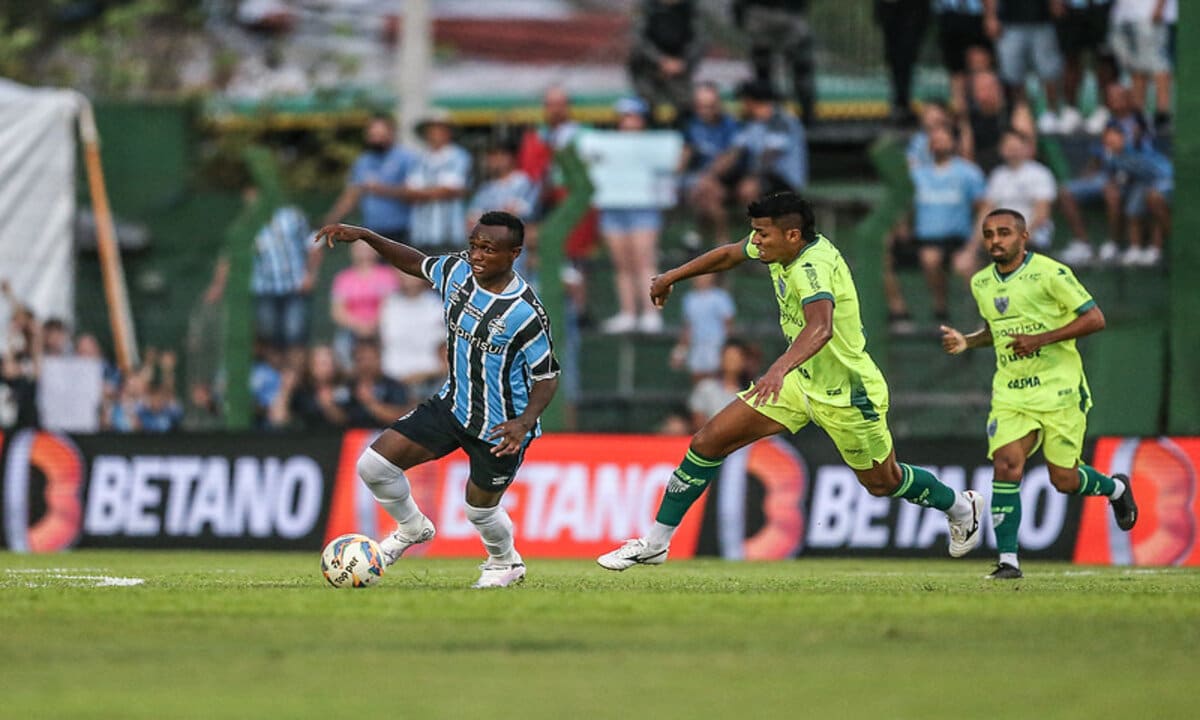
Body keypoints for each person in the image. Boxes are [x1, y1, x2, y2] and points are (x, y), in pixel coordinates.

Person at [597, 192, 985, 570]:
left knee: (883, 482)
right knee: (707, 441)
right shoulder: (781, 246)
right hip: (800, 381)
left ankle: (959, 506)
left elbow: (822, 328)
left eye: (763, 234)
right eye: (756, 232)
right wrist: (672, 276)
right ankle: (655, 543)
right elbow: (731, 253)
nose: (757, 241)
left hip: (847, 392)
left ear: (793, 236)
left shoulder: (811, 267)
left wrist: (777, 369)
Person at [315, 211, 559, 589]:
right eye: (474, 246)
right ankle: (413, 527)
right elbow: (414, 261)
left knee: (479, 511)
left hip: (500, 426)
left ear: (514, 254)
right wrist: (366, 234)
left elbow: (547, 376)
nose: (477, 255)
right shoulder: (458, 272)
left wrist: (524, 422)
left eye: (489, 250)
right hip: (452, 405)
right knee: (374, 467)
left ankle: (505, 561)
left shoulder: (525, 312)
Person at [940, 208, 1137, 578]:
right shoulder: (981, 282)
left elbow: (1095, 319)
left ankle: (1114, 488)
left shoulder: (1051, 273)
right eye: (989, 234)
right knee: (1006, 464)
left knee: (1063, 479)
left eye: (1004, 233)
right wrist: (966, 342)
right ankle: (1008, 561)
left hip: (1059, 388)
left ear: (1023, 236)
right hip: (1011, 392)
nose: (995, 240)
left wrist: (1041, 339)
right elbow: (997, 332)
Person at [909, 124, 986, 322]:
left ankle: (980, 318)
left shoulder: (968, 173)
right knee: (930, 259)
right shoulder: (918, 175)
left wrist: (972, 247)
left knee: (967, 268)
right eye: (934, 141)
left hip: (959, 238)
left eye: (943, 139)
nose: (938, 144)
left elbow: (983, 208)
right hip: (927, 239)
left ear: (954, 142)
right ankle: (940, 309)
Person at [322, 114, 416, 241]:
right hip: (371, 231)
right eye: (373, 135)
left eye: (380, 135)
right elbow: (352, 195)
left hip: (402, 230)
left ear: (392, 133)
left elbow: (415, 194)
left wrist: (383, 189)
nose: (376, 139)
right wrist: (331, 220)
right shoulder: (363, 161)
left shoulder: (406, 158)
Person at [983, 0, 1065, 134]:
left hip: (1042, 21)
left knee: (1049, 72)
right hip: (1009, 24)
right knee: (1012, 75)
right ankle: (1021, 114)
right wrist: (991, 16)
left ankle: (1051, 114)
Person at [734, 0, 816, 126]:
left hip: (779, 14)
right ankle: (768, 115)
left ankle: (806, 115)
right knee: (764, 71)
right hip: (765, 13)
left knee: (798, 67)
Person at [975, 129, 1057, 251]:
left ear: (1026, 148)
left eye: (1016, 146)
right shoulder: (997, 175)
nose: (1012, 150)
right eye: (1008, 146)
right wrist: (973, 244)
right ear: (1001, 149)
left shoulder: (1040, 173)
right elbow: (986, 210)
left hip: (1032, 234)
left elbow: (1042, 214)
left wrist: (1017, 239)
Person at [680, 82, 739, 247]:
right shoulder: (692, 125)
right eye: (700, 107)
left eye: (710, 106)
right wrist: (675, 175)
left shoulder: (730, 125)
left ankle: (699, 236)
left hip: (727, 178)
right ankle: (721, 241)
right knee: (707, 195)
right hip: (699, 181)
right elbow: (685, 153)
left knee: (709, 190)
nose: (705, 111)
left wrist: (708, 177)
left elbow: (731, 156)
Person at [405, 109, 472, 252]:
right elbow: (409, 192)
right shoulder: (420, 158)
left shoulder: (458, 156)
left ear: (448, 132)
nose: (434, 134)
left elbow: (448, 190)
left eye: (439, 129)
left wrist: (422, 192)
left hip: (449, 232)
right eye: (431, 130)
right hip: (421, 233)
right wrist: (434, 191)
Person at [629, 0, 705, 123]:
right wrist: (660, 60)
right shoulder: (647, 7)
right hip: (647, 69)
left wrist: (682, 62)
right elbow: (638, 40)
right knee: (644, 108)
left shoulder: (690, 9)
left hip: (680, 68)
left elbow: (699, 40)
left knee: (687, 108)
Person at [329, 240, 399, 369]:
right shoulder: (343, 278)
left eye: (367, 248)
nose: (363, 253)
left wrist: (373, 324)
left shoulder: (387, 275)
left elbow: (390, 305)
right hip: (352, 330)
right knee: (342, 343)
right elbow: (337, 312)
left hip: (380, 327)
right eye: (359, 249)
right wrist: (359, 325)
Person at [1055, 0, 1116, 134]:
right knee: (1071, 60)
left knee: (1104, 61)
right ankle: (1071, 111)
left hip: (1102, 7)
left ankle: (1104, 111)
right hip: (1071, 8)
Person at [874, 0, 932, 127]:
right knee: (895, 56)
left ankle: (902, 104)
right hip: (890, 8)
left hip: (914, 10)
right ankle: (899, 104)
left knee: (907, 54)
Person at [670, 272, 736, 382]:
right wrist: (680, 352)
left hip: (716, 345)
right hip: (697, 345)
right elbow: (687, 327)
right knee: (697, 377)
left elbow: (728, 324)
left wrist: (725, 348)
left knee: (715, 378)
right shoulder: (689, 299)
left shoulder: (721, 297)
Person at [931, 0, 994, 115]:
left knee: (980, 66)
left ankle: (986, 113)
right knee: (956, 71)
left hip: (976, 14)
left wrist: (990, 15)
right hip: (948, 14)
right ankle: (963, 119)